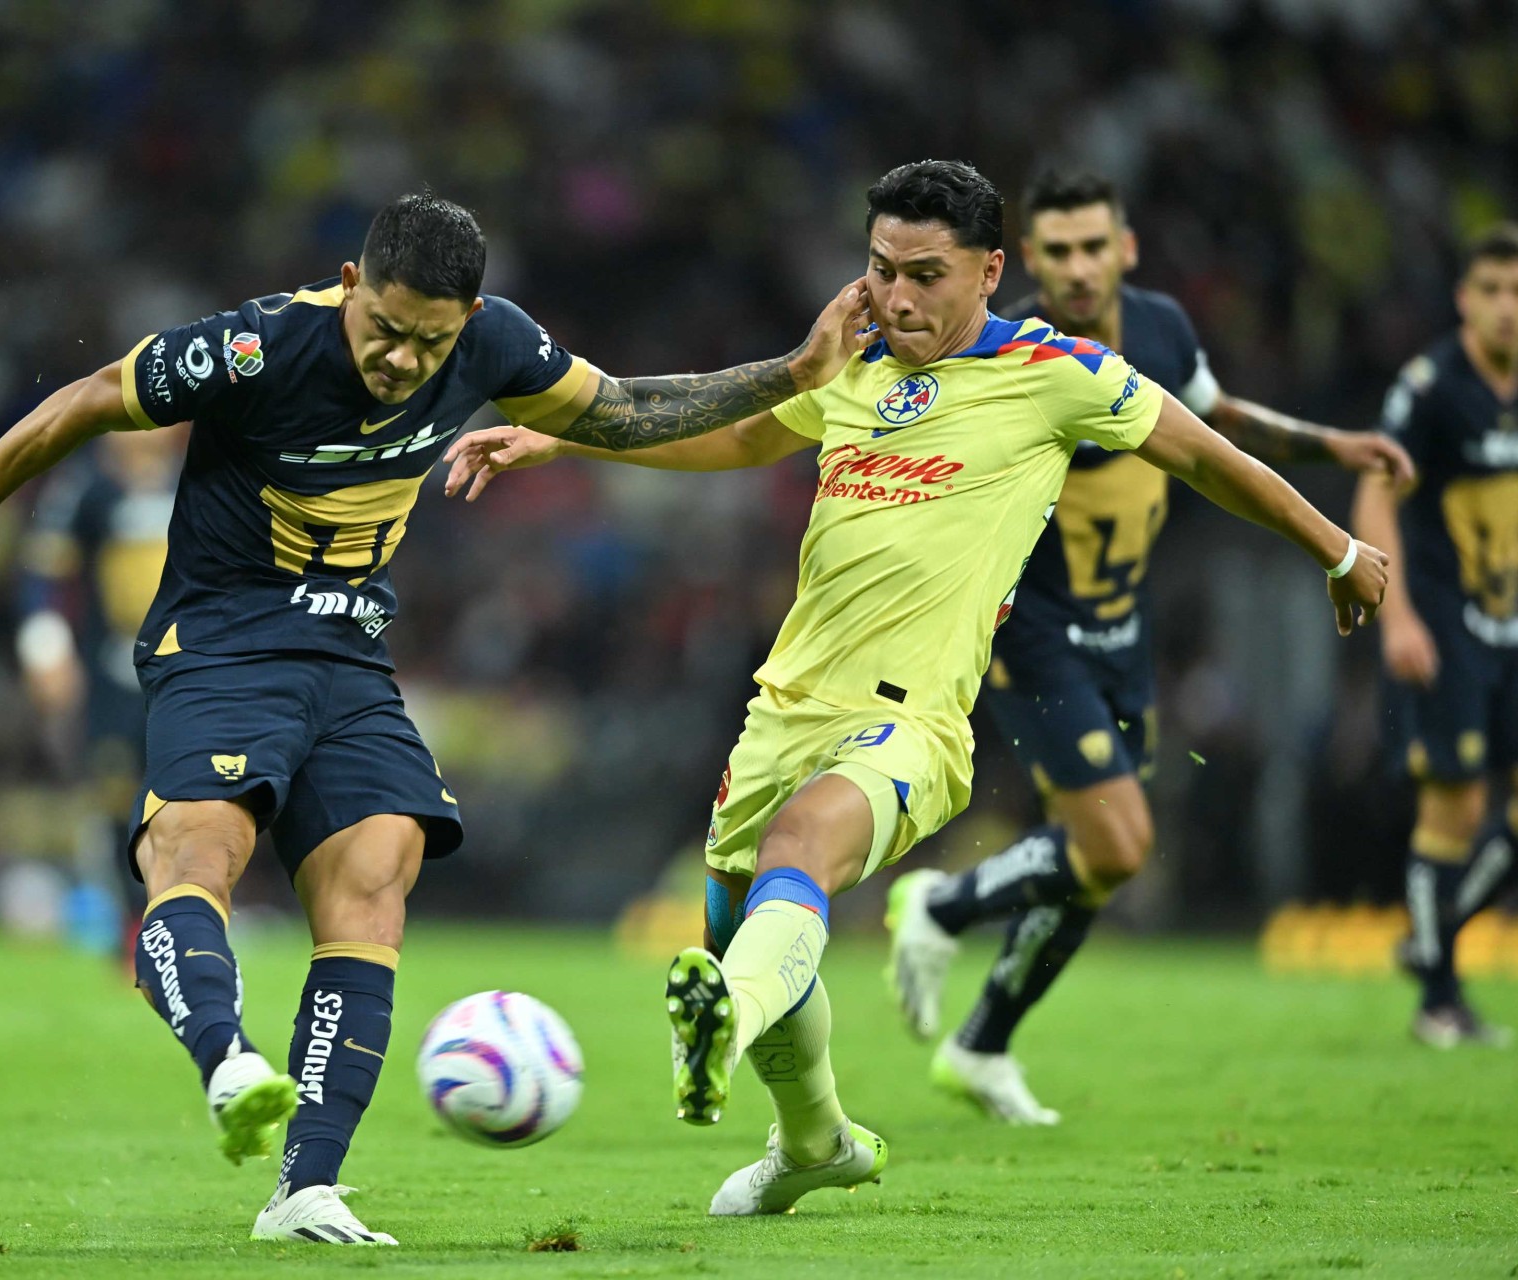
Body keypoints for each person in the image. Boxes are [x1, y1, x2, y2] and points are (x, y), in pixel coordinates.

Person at [444, 160, 1388, 1216]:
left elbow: (1208, 457)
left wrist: (1340, 549)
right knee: (746, 927)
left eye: (926, 275)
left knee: (798, 854)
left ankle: (721, 1021)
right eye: (882, 269)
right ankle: (814, 1141)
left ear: (990, 271)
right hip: (780, 711)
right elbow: (744, 432)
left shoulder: (1059, 372)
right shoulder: (853, 363)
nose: (896, 297)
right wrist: (564, 434)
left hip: (910, 721)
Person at [0, 192, 875, 1246]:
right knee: (197, 852)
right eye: (384, 328)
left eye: (430, 340)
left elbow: (620, 409)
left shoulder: (494, 342)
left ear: (466, 318)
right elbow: (97, 395)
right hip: (225, 642)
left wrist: (794, 371)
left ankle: (305, 1188)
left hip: (349, 655)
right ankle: (228, 1058)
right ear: (351, 284)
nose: (401, 358)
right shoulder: (257, 344)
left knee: (379, 874)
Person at [882, 168, 1415, 1123]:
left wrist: (1334, 445)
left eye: (1096, 246)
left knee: (1095, 861)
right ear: (1025, 261)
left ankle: (983, 1044)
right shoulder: (1013, 357)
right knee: (1119, 842)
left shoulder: (1162, 330)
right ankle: (942, 907)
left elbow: (1220, 424)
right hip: (1034, 633)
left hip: (1125, 633)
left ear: (1125, 248)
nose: (1080, 268)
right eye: (1060, 251)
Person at [1352, 223, 1518, 1049]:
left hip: (1512, 623)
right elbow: (1376, 492)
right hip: (1447, 626)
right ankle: (1438, 998)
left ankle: (1432, 938)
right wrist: (1399, 615)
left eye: (1517, 292)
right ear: (1463, 299)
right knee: (1455, 804)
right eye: (1491, 290)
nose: (1506, 307)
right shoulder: (1431, 387)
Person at [15, 427, 186, 955]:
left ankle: (188, 919)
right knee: (116, 794)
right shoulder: (84, 485)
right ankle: (134, 924)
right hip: (113, 668)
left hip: (189, 666)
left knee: (189, 796)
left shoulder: (200, 478)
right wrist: (45, 645)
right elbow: (44, 571)